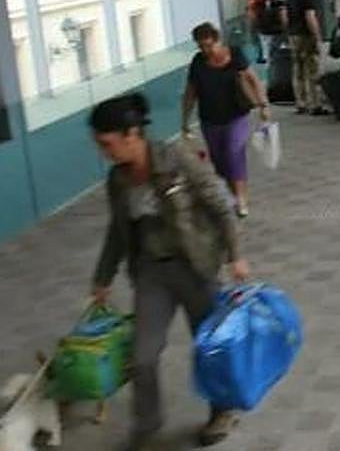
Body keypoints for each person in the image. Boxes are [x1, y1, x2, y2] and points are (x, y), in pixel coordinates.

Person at [89, 93, 250, 450]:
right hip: (151, 273)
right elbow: (117, 231)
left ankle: (222, 410)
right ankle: (147, 426)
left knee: (211, 347)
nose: (105, 152)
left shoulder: (176, 158)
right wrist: (102, 278)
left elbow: (221, 204)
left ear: (132, 134)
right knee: (142, 356)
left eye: (107, 143)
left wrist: (235, 255)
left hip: (196, 266)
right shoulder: (118, 179)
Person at [181, 22, 268, 218]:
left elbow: (253, 80)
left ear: (217, 40)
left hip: (236, 115)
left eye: (209, 45)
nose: (206, 50)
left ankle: (241, 199)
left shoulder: (235, 54)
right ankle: (230, 196)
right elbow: (190, 92)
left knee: (233, 154)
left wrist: (263, 105)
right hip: (210, 119)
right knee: (219, 162)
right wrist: (185, 120)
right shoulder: (198, 62)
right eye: (201, 46)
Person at [286, 0, 329, 115]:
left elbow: (285, 15)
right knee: (313, 69)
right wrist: (317, 37)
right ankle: (315, 103)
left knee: (297, 70)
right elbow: (310, 15)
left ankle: (300, 102)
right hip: (306, 35)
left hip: (293, 34)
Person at [247, 0, 287, 64]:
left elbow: (251, 10)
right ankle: (274, 73)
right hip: (276, 28)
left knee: (266, 53)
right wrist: (286, 27)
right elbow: (282, 12)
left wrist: (254, 24)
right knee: (276, 54)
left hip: (262, 28)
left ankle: (268, 69)